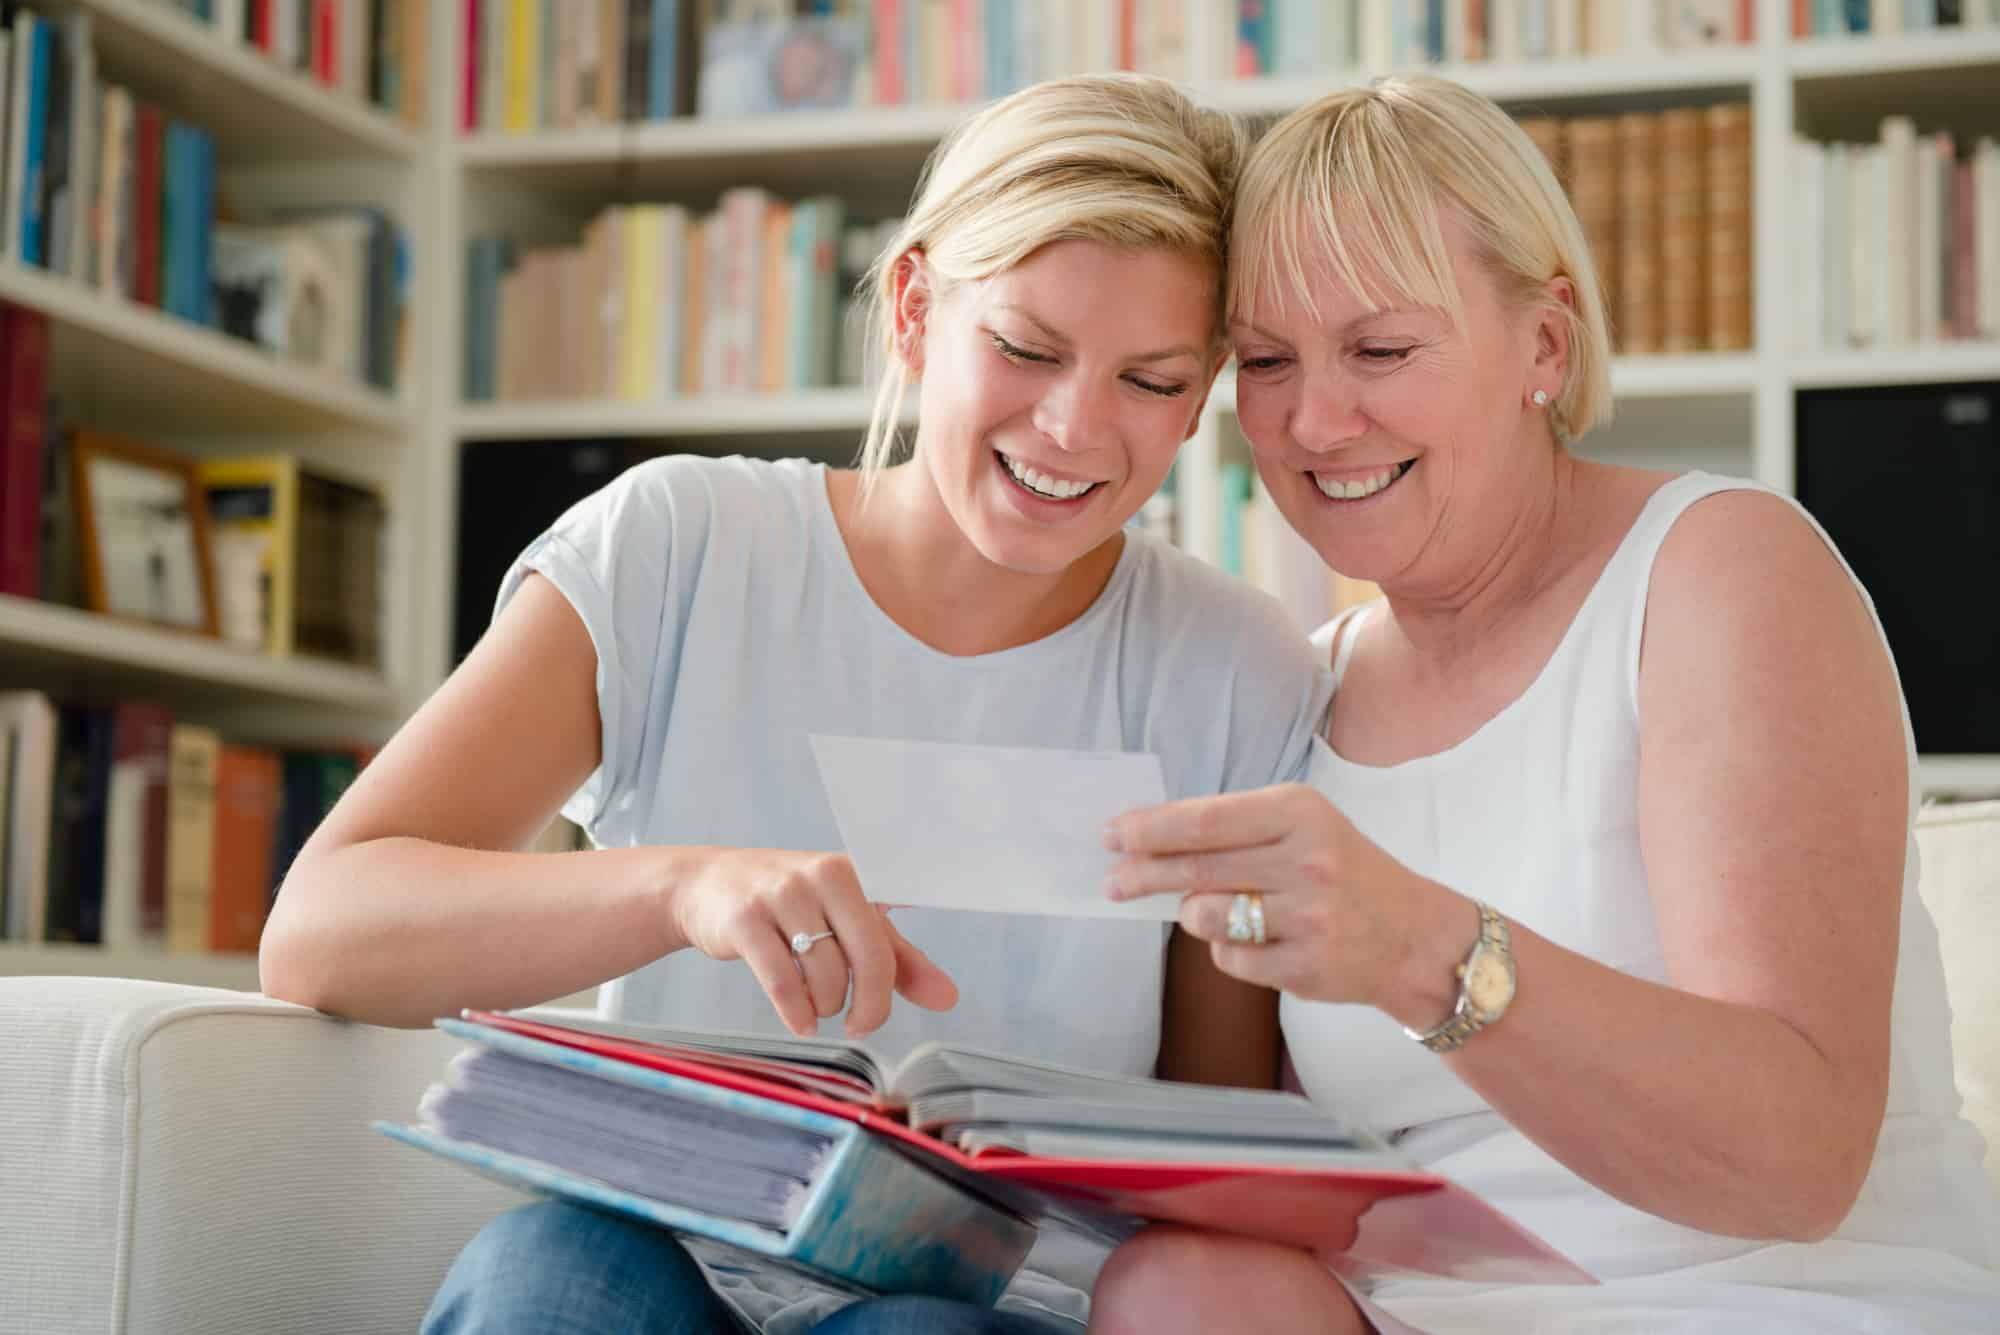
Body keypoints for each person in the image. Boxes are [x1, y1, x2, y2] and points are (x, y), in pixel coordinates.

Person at [259, 74, 1334, 1335]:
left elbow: (1208, 1152)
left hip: (989, 1306)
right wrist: (681, 889)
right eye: (1026, 350)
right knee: (546, 1274)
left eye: (1148, 382)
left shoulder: (1232, 669)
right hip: (655, 1258)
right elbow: (321, 932)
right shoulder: (679, 545)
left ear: (1205, 384)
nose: (1073, 428)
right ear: (916, 309)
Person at [1086, 74, 2000, 1334]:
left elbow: (1796, 1165)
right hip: (1423, 1311)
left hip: (1774, 1299)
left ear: (1544, 345)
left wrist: (1423, 947)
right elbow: (1263, 1179)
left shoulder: (1716, 571)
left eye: (1381, 349)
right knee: (1171, 1288)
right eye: (1265, 361)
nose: (1312, 418)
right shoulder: (1303, 681)